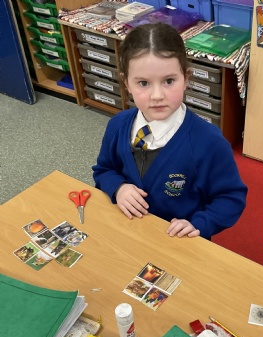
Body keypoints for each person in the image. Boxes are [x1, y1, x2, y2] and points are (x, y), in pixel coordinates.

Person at [93, 23, 247, 239]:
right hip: (127, 232)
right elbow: (103, 170)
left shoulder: (209, 141)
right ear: (126, 83)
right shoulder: (118, 125)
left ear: (186, 79)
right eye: (143, 83)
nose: (157, 95)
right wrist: (118, 188)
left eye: (169, 81)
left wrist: (200, 223)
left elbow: (231, 197)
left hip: (179, 242)